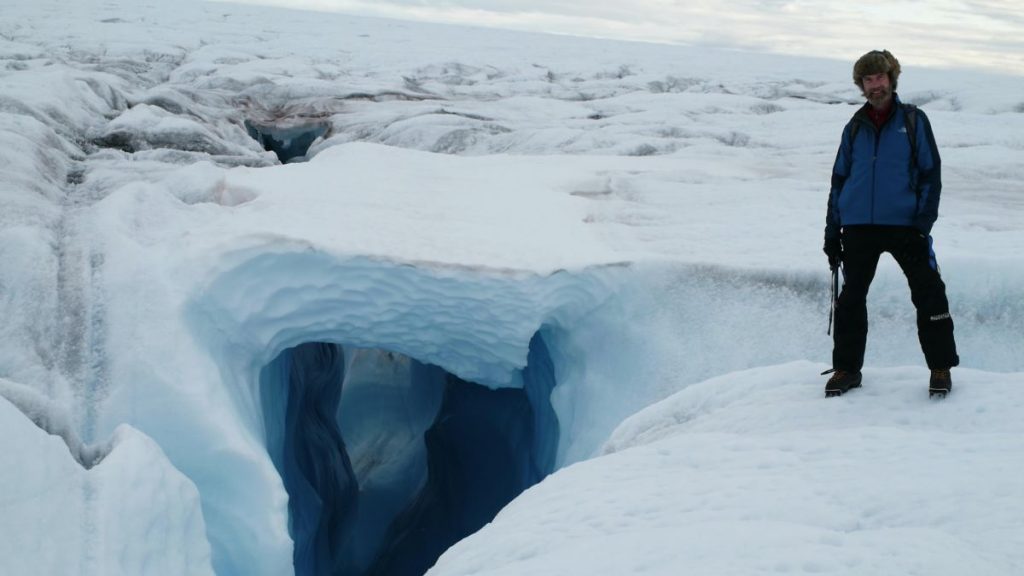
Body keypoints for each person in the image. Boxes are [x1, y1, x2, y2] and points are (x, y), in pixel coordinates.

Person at [823, 49, 959, 398]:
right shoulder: (854, 127)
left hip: (905, 225)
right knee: (851, 299)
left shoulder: (913, 121)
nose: (875, 85)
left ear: (891, 78)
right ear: (862, 85)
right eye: (868, 80)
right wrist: (831, 230)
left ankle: (940, 367)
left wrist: (922, 224)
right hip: (857, 226)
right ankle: (847, 370)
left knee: (929, 291)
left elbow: (931, 174)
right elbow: (840, 180)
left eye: (880, 77)